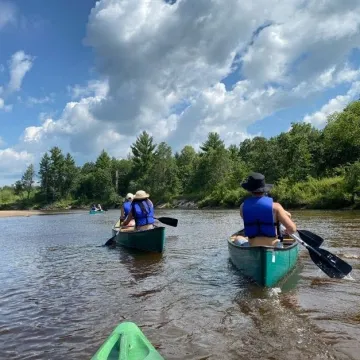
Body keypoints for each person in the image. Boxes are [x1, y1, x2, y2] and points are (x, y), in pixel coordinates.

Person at [237, 172, 296, 247]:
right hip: (273, 246)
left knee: (237, 238)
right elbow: (292, 229)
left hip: (252, 246)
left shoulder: (243, 206)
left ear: (249, 190)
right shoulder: (276, 207)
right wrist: (287, 231)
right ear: (265, 190)